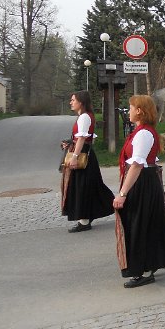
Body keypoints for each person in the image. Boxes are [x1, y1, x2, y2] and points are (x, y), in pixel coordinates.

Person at [112, 95, 165, 288]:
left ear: (140, 110)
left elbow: (137, 166)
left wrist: (122, 194)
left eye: (131, 107)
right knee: (144, 224)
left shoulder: (144, 134)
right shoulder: (141, 132)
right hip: (144, 182)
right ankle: (146, 265)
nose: (129, 111)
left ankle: (143, 269)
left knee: (140, 225)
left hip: (143, 183)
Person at [60, 91, 114, 233]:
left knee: (82, 187)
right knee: (88, 186)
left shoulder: (84, 117)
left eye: (73, 100)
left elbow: (83, 139)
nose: (71, 102)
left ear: (81, 102)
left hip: (83, 155)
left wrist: (74, 156)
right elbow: (83, 138)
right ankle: (86, 218)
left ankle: (84, 221)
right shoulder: (84, 116)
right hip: (84, 153)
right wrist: (70, 143)